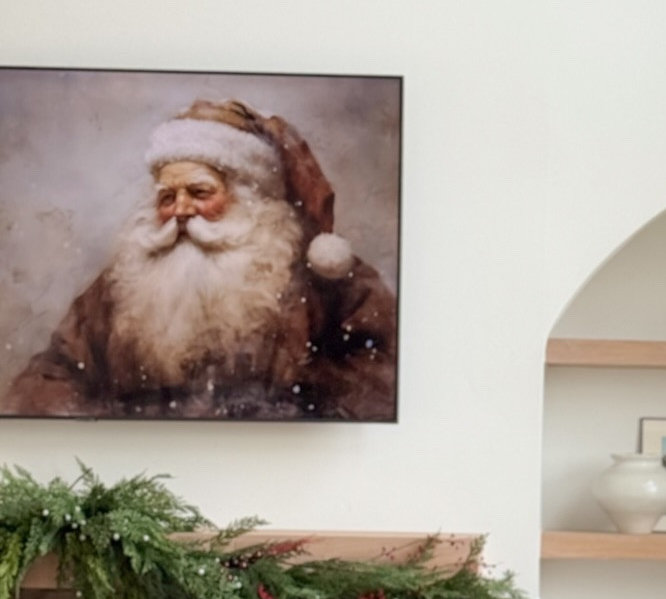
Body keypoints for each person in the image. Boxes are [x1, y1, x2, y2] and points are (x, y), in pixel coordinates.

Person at [4, 98, 397, 419]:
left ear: (250, 197)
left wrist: (294, 410)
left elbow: (384, 376)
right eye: (167, 197)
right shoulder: (120, 288)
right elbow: (50, 377)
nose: (180, 210)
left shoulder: (327, 280)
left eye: (200, 192)